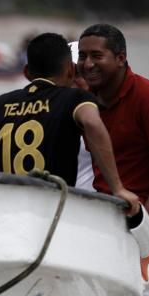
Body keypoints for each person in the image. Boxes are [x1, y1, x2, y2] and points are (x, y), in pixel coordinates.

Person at [0, 33, 140, 215]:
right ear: (71, 70)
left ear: (26, 73)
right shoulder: (75, 98)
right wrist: (118, 188)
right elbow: (91, 123)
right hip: (55, 210)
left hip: (9, 210)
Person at [78, 24, 149, 237]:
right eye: (82, 56)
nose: (87, 64)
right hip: (102, 203)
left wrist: (143, 221)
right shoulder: (84, 100)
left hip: (145, 209)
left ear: (121, 58)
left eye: (97, 56)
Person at [68, 41, 95, 192]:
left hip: (93, 201)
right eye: (66, 74)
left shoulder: (108, 117)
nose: (70, 80)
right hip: (54, 200)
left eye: (78, 74)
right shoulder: (44, 113)